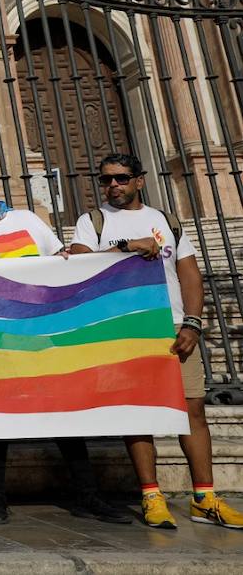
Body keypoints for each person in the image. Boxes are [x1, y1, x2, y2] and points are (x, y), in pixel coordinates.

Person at [0, 168, 128, 526]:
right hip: (0, 337)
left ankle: (87, 495)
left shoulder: (28, 219)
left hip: (44, 332)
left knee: (64, 415)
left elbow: (59, 261)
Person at [67, 153, 243, 529]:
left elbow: (189, 274)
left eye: (121, 178)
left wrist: (193, 324)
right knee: (138, 414)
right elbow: (79, 267)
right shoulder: (92, 221)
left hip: (174, 326)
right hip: (125, 332)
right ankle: (151, 495)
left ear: (139, 181)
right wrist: (127, 247)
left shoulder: (166, 220)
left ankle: (205, 497)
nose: (113, 185)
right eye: (106, 180)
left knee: (193, 411)